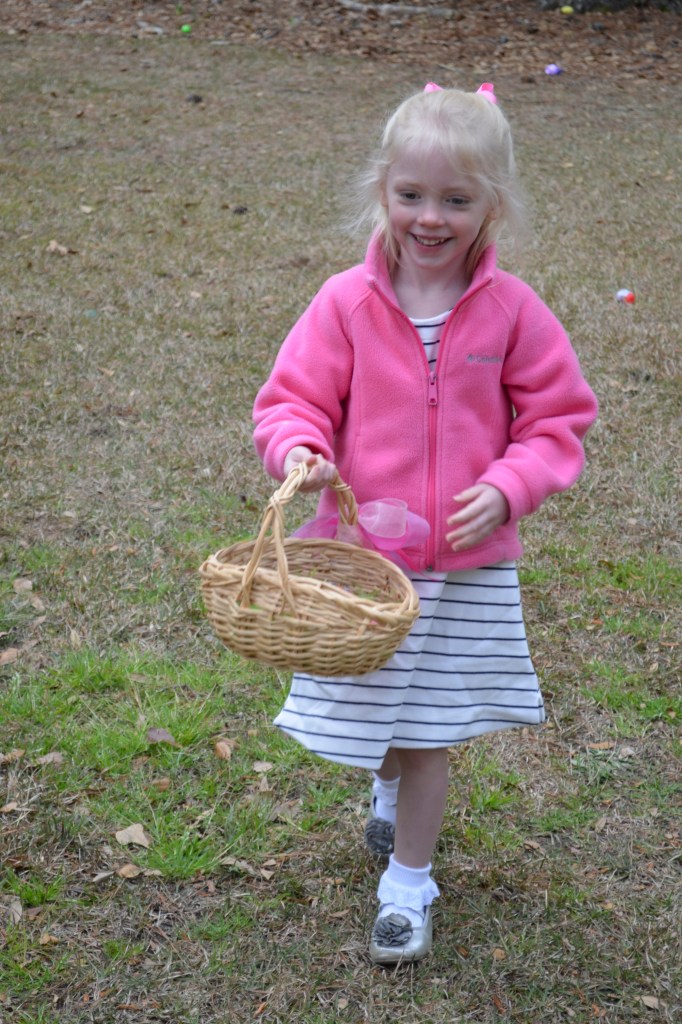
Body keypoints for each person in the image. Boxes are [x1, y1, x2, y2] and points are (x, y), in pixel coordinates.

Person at [252, 82, 598, 964]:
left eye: (457, 198)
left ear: (495, 204)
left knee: (426, 732)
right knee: (381, 723)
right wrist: (300, 451)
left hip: (467, 569)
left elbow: (558, 419)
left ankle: (408, 884)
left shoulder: (514, 311)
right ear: (382, 191)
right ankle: (385, 788)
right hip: (370, 568)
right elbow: (292, 399)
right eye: (412, 195)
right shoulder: (346, 303)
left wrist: (514, 483)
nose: (431, 217)